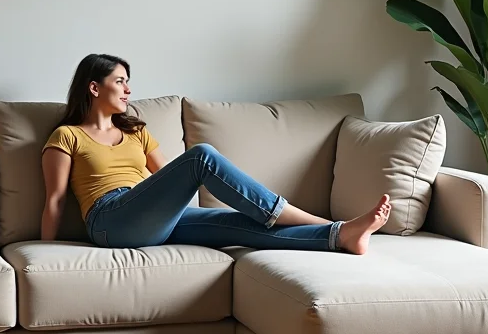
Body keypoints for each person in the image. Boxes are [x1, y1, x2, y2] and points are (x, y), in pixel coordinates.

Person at [40, 53, 391, 254]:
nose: (128, 89)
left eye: (128, 81)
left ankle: (339, 236)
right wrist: (44, 250)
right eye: (120, 81)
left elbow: (168, 180)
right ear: (94, 87)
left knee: (239, 225)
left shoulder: (136, 131)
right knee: (201, 156)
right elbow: (55, 200)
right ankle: (312, 219)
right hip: (110, 220)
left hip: (152, 215)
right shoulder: (67, 135)